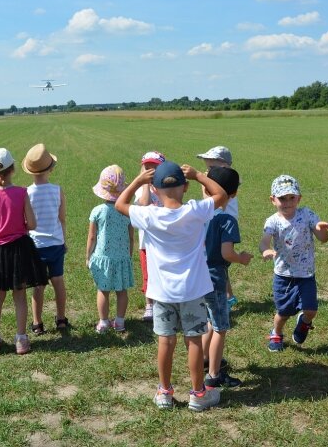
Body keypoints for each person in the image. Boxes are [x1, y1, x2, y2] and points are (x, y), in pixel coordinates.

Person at [115, 160, 227, 411]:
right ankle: (198, 395)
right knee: (194, 341)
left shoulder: (149, 215)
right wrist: (199, 175)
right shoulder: (195, 211)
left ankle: (164, 392)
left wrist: (137, 181)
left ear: (154, 190)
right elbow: (221, 194)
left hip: (162, 293)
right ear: (185, 187)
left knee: (166, 341)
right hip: (193, 290)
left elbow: (120, 204)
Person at [0, 148, 47, 354]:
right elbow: (32, 223)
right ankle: (21, 339)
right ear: (12, 169)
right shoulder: (22, 192)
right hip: (19, 249)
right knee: (20, 296)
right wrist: (19, 225)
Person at [258, 175, 328, 352]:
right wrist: (266, 249)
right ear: (273, 200)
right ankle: (277, 332)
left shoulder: (307, 215)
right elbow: (264, 241)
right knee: (283, 312)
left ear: (299, 198)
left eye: (292, 198)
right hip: (284, 275)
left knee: (311, 310)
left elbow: (323, 239)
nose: (288, 202)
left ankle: (304, 323)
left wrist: (321, 230)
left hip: (306, 274)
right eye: (282, 198)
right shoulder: (273, 221)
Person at [200, 166, 252, 389]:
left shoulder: (196, 215)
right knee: (220, 327)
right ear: (233, 195)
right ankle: (214, 374)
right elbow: (226, 253)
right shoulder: (227, 220)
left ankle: (204, 359)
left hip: (196, 278)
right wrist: (241, 258)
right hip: (215, 279)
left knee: (209, 322)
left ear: (204, 188)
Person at [23, 143, 70, 334]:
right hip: (56, 243)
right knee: (58, 281)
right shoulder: (57, 190)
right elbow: (62, 218)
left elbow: (25, 221)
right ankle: (60, 319)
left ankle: (37, 323)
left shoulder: (26, 193)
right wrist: (64, 240)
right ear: (51, 168)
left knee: (38, 286)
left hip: (36, 246)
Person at [86, 165, 134, 333]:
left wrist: (88, 256)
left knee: (103, 290)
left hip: (103, 257)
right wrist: (129, 254)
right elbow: (131, 235)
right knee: (122, 291)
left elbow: (92, 237)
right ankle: (120, 322)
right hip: (122, 257)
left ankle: (104, 322)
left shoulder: (97, 211)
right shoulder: (127, 211)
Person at [196, 145, 239, 310]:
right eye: (207, 168)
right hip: (215, 222)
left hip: (223, 225)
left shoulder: (228, 183)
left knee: (218, 261)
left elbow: (211, 203)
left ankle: (224, 297)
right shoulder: (218, 183)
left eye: (212, 168)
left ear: (225, 165)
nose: (208, 173)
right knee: (217, 261)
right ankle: (228, 295)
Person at [135, 151, 165, 321]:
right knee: (148, 275)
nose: (151, 171)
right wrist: (145, 183)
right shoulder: (141, 189)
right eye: (147, 167)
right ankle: (149, 305)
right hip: (147, 243)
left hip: (164, 241)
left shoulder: (165, 186)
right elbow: (144, 203)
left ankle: (164, 302)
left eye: (155, 168)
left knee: (162, 272)